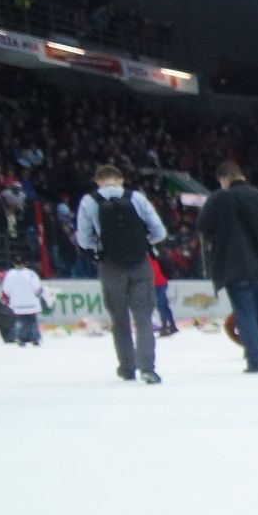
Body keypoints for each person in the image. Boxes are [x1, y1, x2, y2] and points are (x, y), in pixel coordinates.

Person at [77, 164, 166, 384]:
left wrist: (99, 247)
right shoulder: (136, 197)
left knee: (119, 319)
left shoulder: (89, 201)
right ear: (121, 180)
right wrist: (144, 244)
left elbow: (83, 239)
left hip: (110, 265)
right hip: (139, 263)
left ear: (98, 181)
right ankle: (147, 367)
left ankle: (127, 367)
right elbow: (159, 231)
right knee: (144, 318)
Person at [197, 161, 258, 374]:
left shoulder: (218, 198)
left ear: (223, 179)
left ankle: (255, 360)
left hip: (233, 265)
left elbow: (202, 226)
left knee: (245, 313)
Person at [0, 255, 49, 346]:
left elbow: (6, 290)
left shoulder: (9, 274)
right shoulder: (30, 273)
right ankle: (35, 338)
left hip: (17, 304)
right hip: (31, 304)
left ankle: (20, 338)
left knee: (20, 321)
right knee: (33, 321)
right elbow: (37, 288)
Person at [151, 253, 178, 337]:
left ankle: (165, 326)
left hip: (158, 283)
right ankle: (172, 325)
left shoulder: (148, 259)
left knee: (161, 306)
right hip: (161, 282)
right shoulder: (152, 257)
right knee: (164, 305)